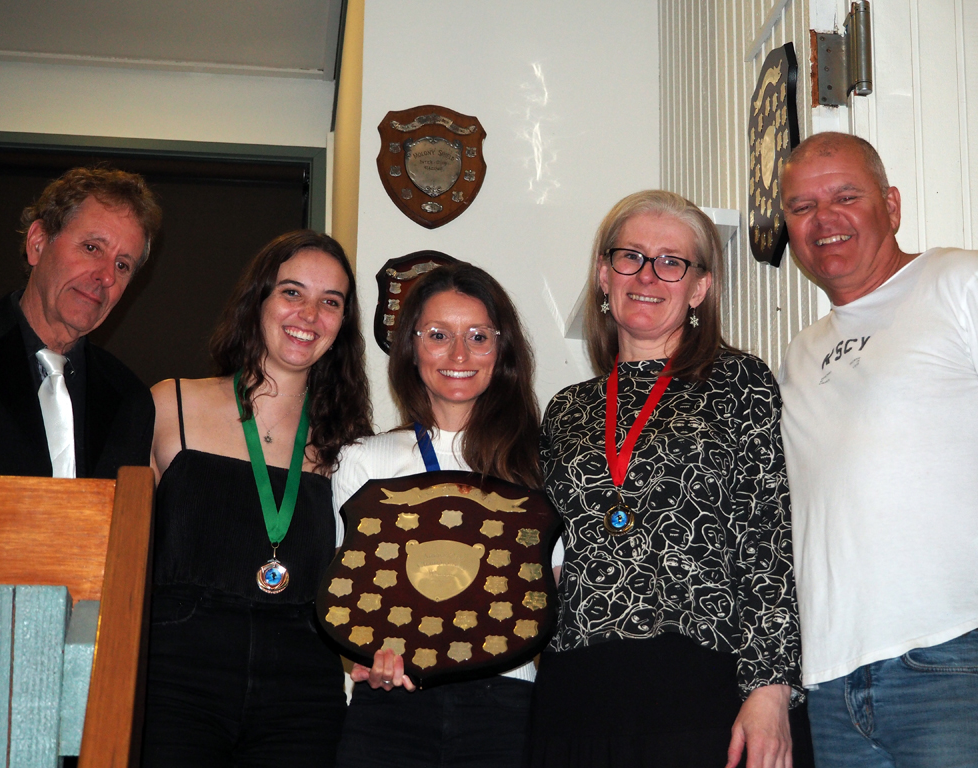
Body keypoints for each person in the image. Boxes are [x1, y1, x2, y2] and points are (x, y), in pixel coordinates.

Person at [529, 190, 803, 768]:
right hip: (577, 686)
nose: (647, 275)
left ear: (700, 286)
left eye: (671, 261)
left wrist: (771, 688)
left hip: (699, 683)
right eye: (630, 256)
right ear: (604, 275)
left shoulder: (738, 382)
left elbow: (767, 538)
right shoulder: (567, 409)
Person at [778, 132, 978, 766]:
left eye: (845, 195)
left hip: (952, 654)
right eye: (802, 206)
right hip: (833, 682)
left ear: (890, 205)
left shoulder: (957, 281)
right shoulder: (801, 353)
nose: (823, 219)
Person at [141, 231, 373, 767]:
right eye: (292, 292)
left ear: (342, 325)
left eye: (330, 302)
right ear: (258, 301)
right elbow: (118, 556)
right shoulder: (169, 404)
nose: (309, 314)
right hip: (177, 677)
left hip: (302, 691)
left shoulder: (350, 446)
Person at [332, 262, 544, 768]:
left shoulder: (538, 464)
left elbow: (550, 588)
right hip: (392, 706)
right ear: (411, 347)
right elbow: (348, 590)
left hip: (506, 706)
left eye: (478, 336)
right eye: (437, 335)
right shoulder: (363, 459)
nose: (458, 355)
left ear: (502, 349)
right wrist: (366, 654)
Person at [0, 165, 161, 478]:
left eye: (122, 265)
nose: (105, 276)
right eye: (92, 248)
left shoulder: (129, 400)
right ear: (38, 242)